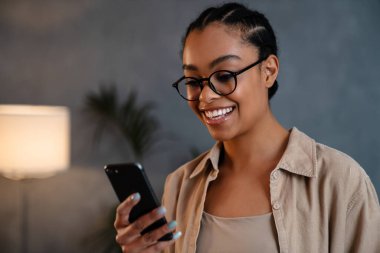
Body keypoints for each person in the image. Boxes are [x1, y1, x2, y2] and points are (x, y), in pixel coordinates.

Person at [113, 2, 380, 253]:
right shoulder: (181, 185)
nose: (205, 97)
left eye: (225, 76)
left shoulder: (340, 181)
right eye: (193, 81)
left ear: (269, 71)